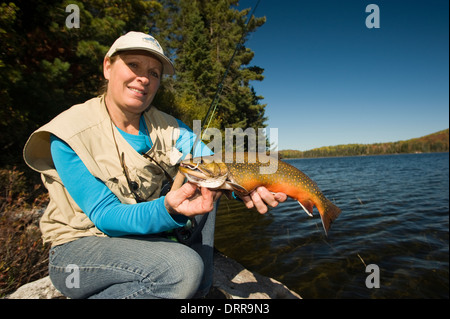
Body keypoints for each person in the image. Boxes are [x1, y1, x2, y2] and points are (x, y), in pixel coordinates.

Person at [24, 31, 287, 299]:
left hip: (138, 239)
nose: (144, 78)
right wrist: (168, 209)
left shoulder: (170, 126)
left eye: (154, 73)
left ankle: (200, 290)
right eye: (133, 65)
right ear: (107, 67)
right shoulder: (68, 133)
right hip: (79, 250)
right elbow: (105, 217)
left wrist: (245, 188)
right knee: (182, 267)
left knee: (205, 185)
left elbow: (215, 167)